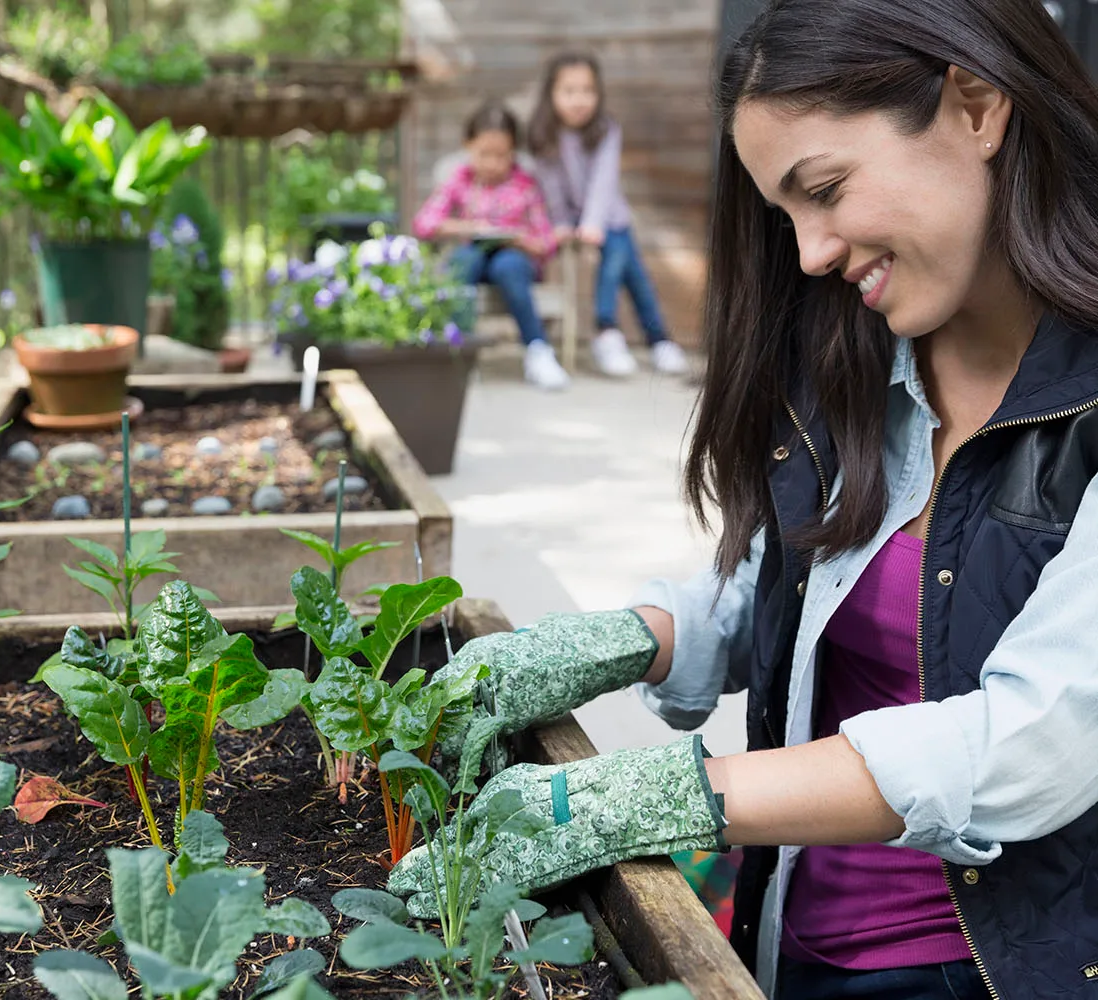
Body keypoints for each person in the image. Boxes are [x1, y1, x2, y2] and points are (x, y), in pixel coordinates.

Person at [391, 1, 1098, 997]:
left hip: (988, 968)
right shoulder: (867, 359)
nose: (809, 252)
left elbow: (1038, 739)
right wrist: (624, 639)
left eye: (826, 189)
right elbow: (789, 590)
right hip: (783, 937)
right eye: (784, 214)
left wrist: (657, 795)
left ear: (976, 105)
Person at [528, 51, 688, 378]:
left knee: (628, 269)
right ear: (552, 94)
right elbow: (550, 186)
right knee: (628, 267)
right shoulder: (542, 135)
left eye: (588, 91)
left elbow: (604, 181)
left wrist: (592, 223)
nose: (579, 100)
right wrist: (561, 223)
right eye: (569, 91)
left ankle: (617, 332)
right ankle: (645, 338)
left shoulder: (605, 129)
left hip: (608, 217)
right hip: (570, 220)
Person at [412, 100, 567, 390]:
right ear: (467, 146)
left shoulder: (524, 184)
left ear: (514, 153)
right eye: (484, 154)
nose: (493, 164)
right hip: (475, 256)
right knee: (464, 260)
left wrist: (518, 238)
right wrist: (470, 227)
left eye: (502, 155)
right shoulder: (460, 179)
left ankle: (538, 351)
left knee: (507, 265)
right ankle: (457, 348)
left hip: (516, 260)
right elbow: (424, 223)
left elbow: (546, 242)